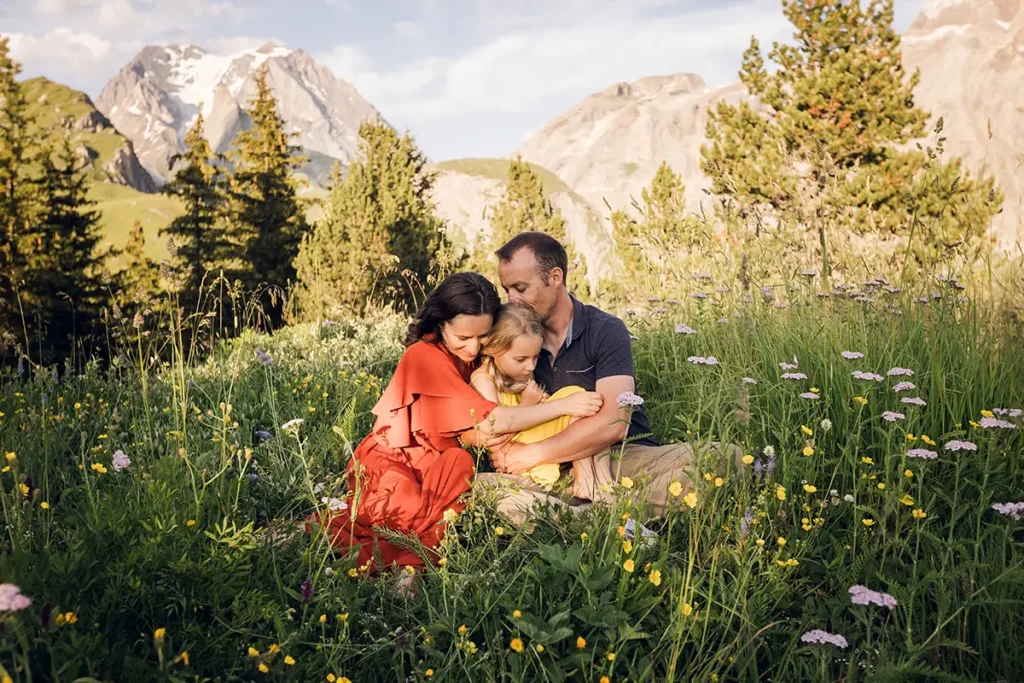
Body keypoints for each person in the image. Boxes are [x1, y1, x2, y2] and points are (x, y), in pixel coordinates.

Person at [305, 271, 603, 575]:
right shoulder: (424, 355)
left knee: (457, 475)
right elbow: (489, 422)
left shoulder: (478, 359)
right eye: (463, 338)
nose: (473, 348)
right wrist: (561, 407)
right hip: (396, 458)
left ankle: (407, 567)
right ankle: (330, 536)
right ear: (441, 324)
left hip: (440, 463)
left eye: (482, 337)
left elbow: (484, 428)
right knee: (405, 511)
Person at [477, 232, 742, 525]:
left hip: (617, 460)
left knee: (724, 457)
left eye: (521, 288)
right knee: (473, 489)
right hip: (546, 473)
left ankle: (589, 517)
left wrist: (531, 454)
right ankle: (606, 516)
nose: (512, 299)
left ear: (555, 277)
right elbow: (484, 420)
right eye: (507, 289)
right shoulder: (507, 334)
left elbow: (613, 425)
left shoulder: (604, 330)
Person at [468, 302, 614, 500]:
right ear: (494, 349)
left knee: (586, 407)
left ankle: (604, 480)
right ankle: (586, 481)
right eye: (521, 359)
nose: (530, 366)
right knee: (574, 398)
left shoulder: (521, 373)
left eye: (535, 357)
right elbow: (494, 434)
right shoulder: (483, 380)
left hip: (531, 436)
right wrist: (528, 404)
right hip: (513, 451)